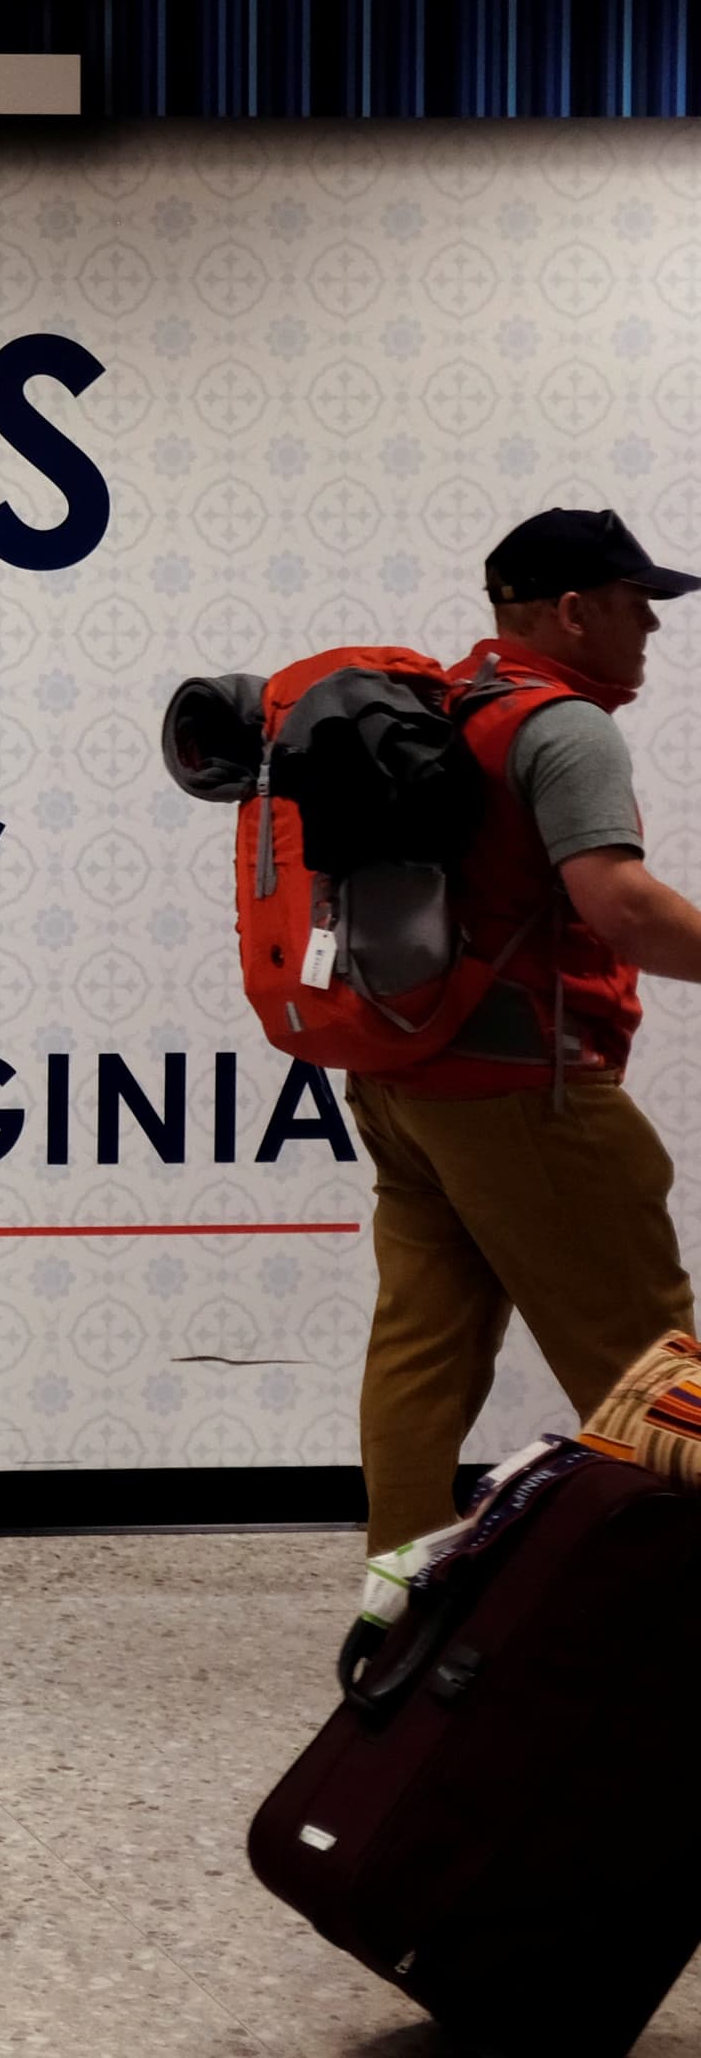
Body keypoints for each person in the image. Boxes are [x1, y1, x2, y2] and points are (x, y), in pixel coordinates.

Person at [356, 507, 701, 1550]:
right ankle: (677, 1608)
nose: (650, 626)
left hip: (405, 1077)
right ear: (572, 609)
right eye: (637, 604)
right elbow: (621, 907)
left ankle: (402, 1584)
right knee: (649, 1357)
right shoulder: (564, 726)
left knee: (426, 1342)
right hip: (525, 1092)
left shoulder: (447, 706)